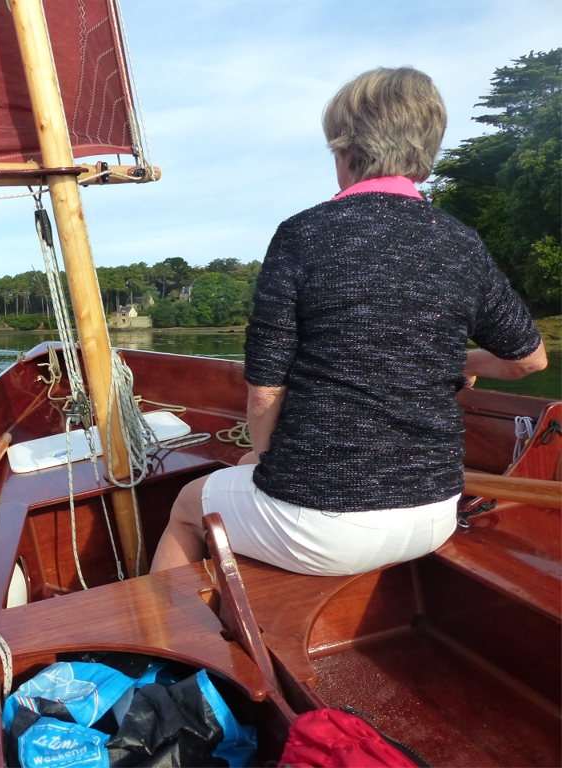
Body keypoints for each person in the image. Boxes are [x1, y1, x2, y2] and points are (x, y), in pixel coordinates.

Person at [151, 67, 547, 577]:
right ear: (424, 155)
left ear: (345, 152)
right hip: (435, 512)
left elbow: (265, 389)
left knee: (188, 507)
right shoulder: (460, 243)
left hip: (324, 525)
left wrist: (264, 461)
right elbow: (529, 359)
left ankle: (165, 653)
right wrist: (459, 360)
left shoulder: (303, 234)